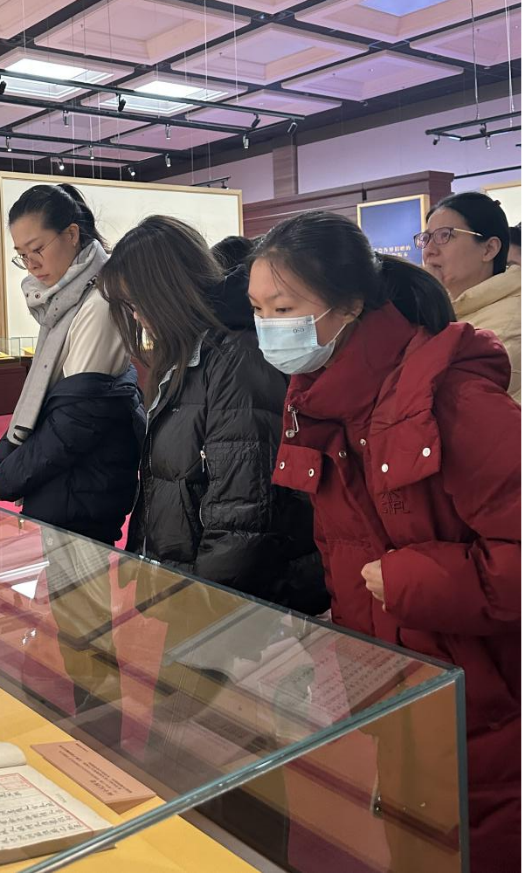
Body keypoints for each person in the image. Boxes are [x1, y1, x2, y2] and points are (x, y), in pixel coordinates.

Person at [249, 209, 522, 873]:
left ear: (349, 305)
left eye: (283, 308)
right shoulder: (320, 403)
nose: (269, 328)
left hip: (486, 700)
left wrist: (410, 581)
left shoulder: (452, 399)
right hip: (400, 684)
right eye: (258, 310)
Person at [100, 215, 327, 614]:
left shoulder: (233, 360)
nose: (136, 316)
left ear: (164, 290)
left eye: (137, 303)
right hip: (197, 587)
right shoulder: (191, 356)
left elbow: (243, 514)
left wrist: (205, 606)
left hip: (229, 604)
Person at [0, 183, 144, 545]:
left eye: (37, 249)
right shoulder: (65, 299)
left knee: (80, 580)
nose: (31, 264)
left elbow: (77, 418)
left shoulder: (100, 301)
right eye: (21, 254)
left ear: (72, 234)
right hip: (69, 481)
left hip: (84, 483)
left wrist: (11, 475)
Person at [420, 191, 522, 401]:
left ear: (489, 249)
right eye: (426, 238)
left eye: (444, 235)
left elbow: (448, 395)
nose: (429, 250)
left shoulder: (511, 320)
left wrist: (429, 302)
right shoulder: (456, 305)